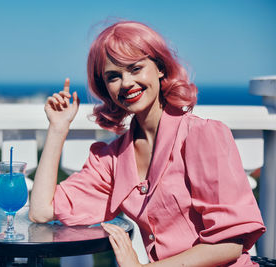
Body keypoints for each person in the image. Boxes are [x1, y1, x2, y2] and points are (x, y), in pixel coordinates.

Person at [28, 20, 265, 266]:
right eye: (114, 76)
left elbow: (230, 244)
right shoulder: (112, 159)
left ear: (160, 67)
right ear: (106, 87)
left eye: (135, 68)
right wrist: (57, 128)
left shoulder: (201, 136)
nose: (126, 83)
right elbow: (42, 211)